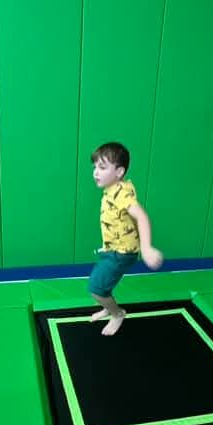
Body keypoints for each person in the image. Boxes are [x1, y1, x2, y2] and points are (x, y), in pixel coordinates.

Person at [88, 142, 163, 335]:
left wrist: (146, 248)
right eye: (95, 166)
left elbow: (142, 217)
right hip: (112, 249)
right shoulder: (113, 188)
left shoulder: (122, 194)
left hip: (122, 254)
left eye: (102, 167)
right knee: (104, 284)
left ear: (119, 171)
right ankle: (108, 306)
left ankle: (117, 314)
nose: (96, 172)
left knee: (96, 288)